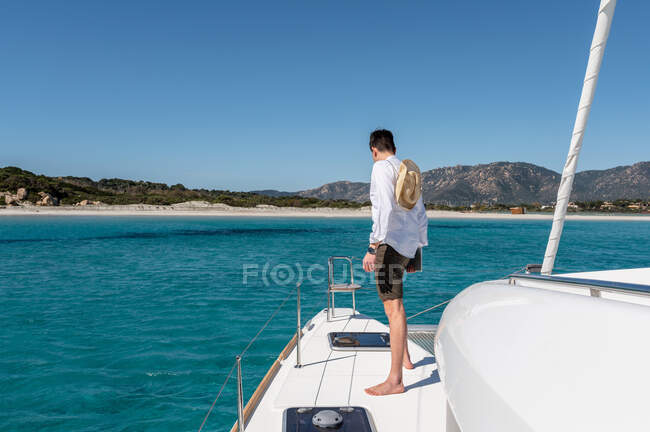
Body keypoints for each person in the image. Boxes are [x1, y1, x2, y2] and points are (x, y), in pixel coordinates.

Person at [362, 129, 428, 396]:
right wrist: (417, 248)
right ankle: (406, 358)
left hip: (389, 245)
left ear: (374, 150)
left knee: (393, 309)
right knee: (398, 306)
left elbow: (384, 210)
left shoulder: (380, 169)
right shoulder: (406, 169)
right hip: (408, 245)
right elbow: (421, 212)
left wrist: (372, 245)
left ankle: (395, 381)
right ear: (393, 146)